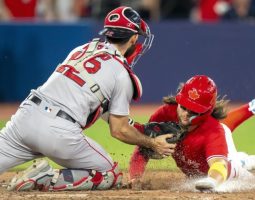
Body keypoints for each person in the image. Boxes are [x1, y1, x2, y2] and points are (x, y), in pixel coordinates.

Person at [0, 6, 176, 191]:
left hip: (25, 117)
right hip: (58, 132)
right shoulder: (121, 74)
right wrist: (152, 143)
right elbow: (119, 130)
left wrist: (138, 127)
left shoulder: (83, 49)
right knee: (111, 174)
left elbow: (96, 104)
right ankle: (46, 177)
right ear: (133, 37)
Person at [127, 75, 255, 190]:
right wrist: (135, 177)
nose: (184, 114)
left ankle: (241, 163)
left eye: (193, 111)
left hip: (222, 165)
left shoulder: (213, 130)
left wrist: (212, 181)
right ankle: (244, 157)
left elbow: (218, 165)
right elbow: (142, 147)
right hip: (205, 153)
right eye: (183, 106)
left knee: (241, 175)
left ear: (206, 111)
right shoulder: (164, 114)